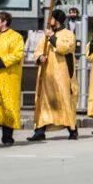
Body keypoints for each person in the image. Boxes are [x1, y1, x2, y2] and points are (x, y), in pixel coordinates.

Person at [28, 9, 78, 142]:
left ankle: (72, 129)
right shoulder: (45, 35)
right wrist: (40, 58)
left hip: (62, 74)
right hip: (46, 75)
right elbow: (38, 50)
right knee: (43, 102)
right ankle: (39, 130)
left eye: (51, 18)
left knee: (64, 100)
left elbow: (65, 48)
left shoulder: (68, 34)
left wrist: (52, 37)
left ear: (57, 20)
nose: (48, 21)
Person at [0, 11, 25, 147]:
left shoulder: (16, 37)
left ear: (4, 22)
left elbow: (17, 55)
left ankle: (7, 137)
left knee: (7, 106)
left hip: (7, 78)